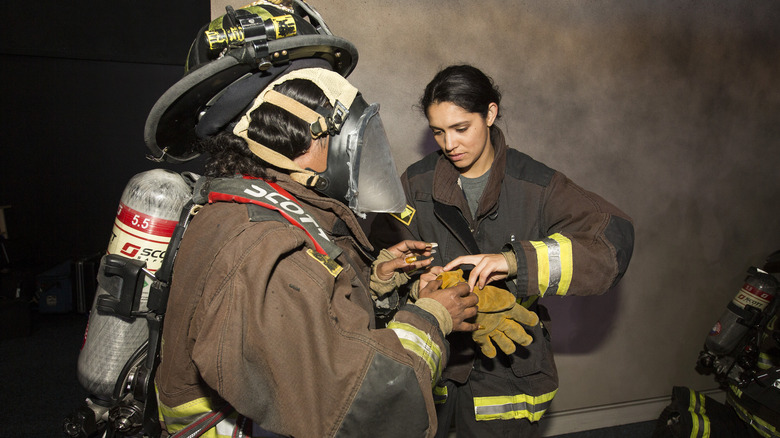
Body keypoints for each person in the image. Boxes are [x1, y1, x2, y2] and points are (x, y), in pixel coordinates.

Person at [152, 65, 483, 438]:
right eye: (349, 139)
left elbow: (310, 315)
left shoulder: (257, 207)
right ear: (308, 144)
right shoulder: (265, 246)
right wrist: (432, 317)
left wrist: (375, 282)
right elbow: (365, 405)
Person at [370, 64, 635, 437]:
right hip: (437, 356)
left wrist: (513, 262)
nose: (449, 145)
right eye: (438, 132)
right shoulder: (416, 183)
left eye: (461, 129)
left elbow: (611, 245)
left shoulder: (537, 185)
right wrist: (415, 283)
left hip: (508, 368)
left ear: (490, 114)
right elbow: (383, 256)